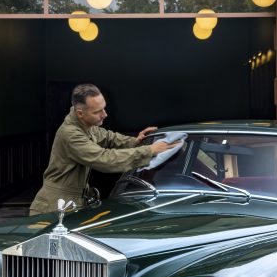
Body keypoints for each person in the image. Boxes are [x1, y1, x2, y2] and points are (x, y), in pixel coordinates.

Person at [29, 83, 180, 215]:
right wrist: (150, 150)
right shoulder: (70, 134)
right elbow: (104, 159)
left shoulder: (85, 125)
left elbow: (107, 137)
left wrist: (135, 141)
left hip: (71, 203)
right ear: (80, 113)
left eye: (104, 108)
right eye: (97, 112)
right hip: (53, 208)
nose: (105, 114)